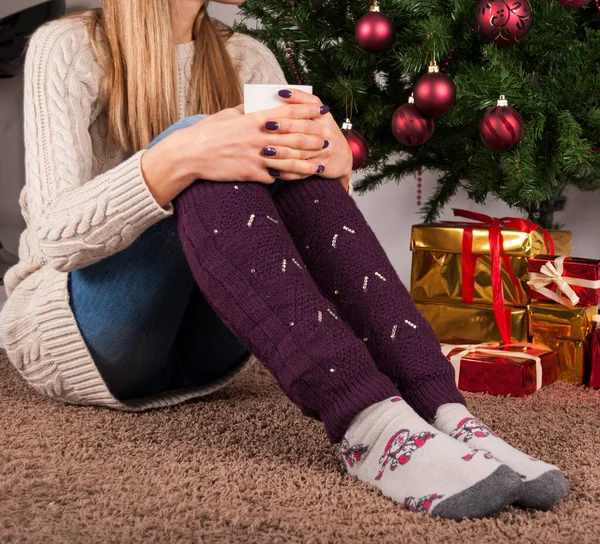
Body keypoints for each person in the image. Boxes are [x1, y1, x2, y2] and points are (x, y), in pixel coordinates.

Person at [0, 0, 568, 521]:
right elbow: (52, 238)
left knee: (275, 152)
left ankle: (441, 408)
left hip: (204, 353)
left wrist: (334, 161)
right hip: (81, 337)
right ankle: (367, 424)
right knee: (205, 141)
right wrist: (176, 157)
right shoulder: (68, 46)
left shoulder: (249, 56)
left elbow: (300, 222)